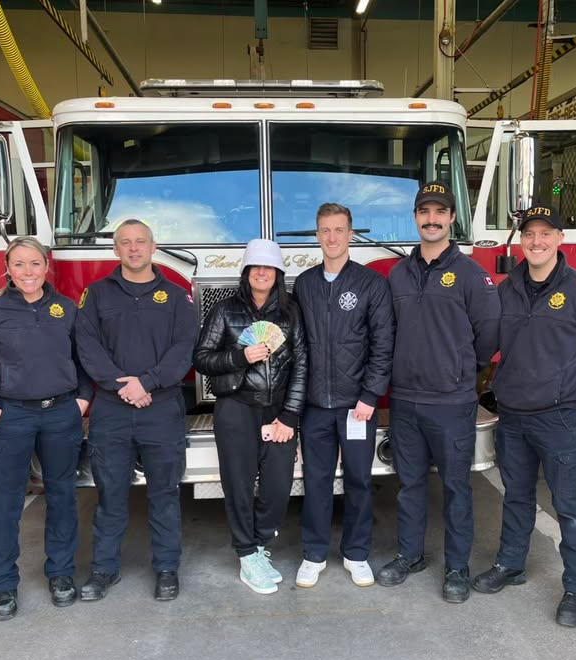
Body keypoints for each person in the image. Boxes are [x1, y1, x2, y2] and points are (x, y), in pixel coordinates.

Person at [471, 205, 576, 628]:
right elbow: (486, 342)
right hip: (513, 417)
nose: (536, 241)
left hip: (561, 419)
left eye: (545, 233)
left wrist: (574, 398)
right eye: (529, 234)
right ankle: (510, 564)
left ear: (559, 239)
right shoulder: (505, 289)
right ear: (520, 241)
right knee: (515, 497)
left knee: (569, 506)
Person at [378, 182, 500, 603]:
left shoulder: (470, 274)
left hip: (451, 402)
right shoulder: (398, 274)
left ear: (451, 219)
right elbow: (388, 333)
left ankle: (456, 568)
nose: (431, 219)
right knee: (409, 485)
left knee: (455, 488)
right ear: (415, 217)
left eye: (439, 212)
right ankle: (410, 556)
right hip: (406, 401)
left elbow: (488, 337)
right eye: (424, 211)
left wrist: (458, 371)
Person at [0, 237, 93, 621]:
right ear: (8, 268)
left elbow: (83, 361)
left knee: (63, 497)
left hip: (60, 415)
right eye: (19, 265)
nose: (27, 272)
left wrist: (82, 401)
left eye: (34, 264)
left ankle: (61, 575)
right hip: (10, 416)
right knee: (5, 503)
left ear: (46, 266)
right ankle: (3, 585)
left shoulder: (66, 309)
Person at [75, 219, 197, 603]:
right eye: (125, 243)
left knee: (165, 494)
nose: (133, 249)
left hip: (161, 409)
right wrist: (121, 385)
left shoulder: (178, 297)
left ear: (153, 246)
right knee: (110, 495)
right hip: (111, 410)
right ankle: (104, 571)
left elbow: (184, 350)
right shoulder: (95, 295)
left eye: (140, 242)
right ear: (115, 249)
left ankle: (166, 569)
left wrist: (147, 382)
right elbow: (87, 346)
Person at [193, 239, 307, 595]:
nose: (262, 273)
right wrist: (239, 358)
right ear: (246, 273)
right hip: (236, 408)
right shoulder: (225, 311)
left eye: (268, 268)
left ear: (277, 274)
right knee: (238, 485)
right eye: (255, 267)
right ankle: (246, 554)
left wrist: (290, 416)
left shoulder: (291, 314)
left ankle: (257, 546)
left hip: (278, 413)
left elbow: (302, 365)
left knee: (277, 486)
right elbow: (201, 358)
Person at [293, 203, 394, 588]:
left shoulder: (371, 285)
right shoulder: (304, 284)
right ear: (317, 236)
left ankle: (356, 553)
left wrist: (370, 395)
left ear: (351, 235)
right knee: (315, 480)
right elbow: (298, 347)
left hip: (357, 408)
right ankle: (314, 554)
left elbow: (382, 345)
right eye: (324, 230)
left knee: (358, 480)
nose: (332, 237)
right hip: (315, 408)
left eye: (339, 230)